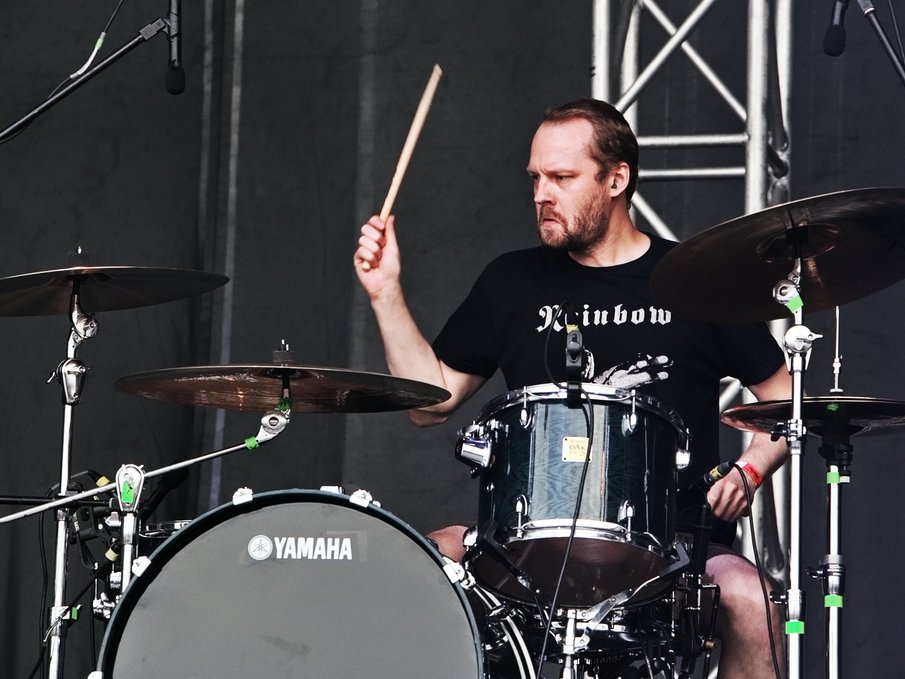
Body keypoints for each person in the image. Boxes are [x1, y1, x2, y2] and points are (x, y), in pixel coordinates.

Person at [354, 98, 789, 679]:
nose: (541, 194)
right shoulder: (512, 281)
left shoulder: (693, 280)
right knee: (420, 562)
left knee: (752, 597)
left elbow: (787, 399)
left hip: (673, 547)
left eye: (561, 178)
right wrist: (385, 293)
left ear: (616, 179)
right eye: (535, 178)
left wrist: (749, 471)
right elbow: (429, 404)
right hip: (523, 542)